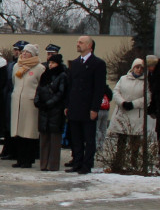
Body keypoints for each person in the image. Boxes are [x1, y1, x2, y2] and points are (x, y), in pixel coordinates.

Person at [65, 35, 106, 175]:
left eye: (81, 42)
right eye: (77, 42)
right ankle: (77, 162)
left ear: (89, 46)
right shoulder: (75, 63)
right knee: (75, 138)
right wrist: (67, 105)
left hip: (88, 108)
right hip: (75, 106)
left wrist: (95, 108)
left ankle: (87, 164)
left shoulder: (98, 64)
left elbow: (99, 88)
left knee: (88, 138)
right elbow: (70, 86)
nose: (78, 44)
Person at [9, 44, 45, 168]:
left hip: (30, 103)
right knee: (18, 131)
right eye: (23, 51)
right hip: (17, 101)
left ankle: (28, 159)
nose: (24, 54)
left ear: (33, 55)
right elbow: (14, 82)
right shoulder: (16, 66)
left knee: (29, 131)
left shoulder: (39, 68)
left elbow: (41, 85)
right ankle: (19, 159)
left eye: (27, 52)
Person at [109, 58, 148, 171]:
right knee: (121, 141)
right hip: (122, 112)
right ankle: (118, 163)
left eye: (141, 68)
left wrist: (134, 104)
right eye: (137, 67)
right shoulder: (123, 79)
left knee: (135, 142)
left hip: (136, 114)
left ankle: (133, 164)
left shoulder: (145, 82)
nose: (139, 70)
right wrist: (123, 102)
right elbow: (116, 92)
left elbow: (147, 97)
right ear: (132, 67)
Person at [35, 53, 69, 171]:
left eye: (53, 63)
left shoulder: (62, 75)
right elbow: (39, 89)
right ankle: (43, 164)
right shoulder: (44, 75)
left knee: (54, 139)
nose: (50, 65)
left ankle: (53, 165)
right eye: (49, 63)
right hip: (44, 110)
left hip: (55, 110)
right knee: (44, 138)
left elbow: (61, 93)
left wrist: (49, 103)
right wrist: (38, 102)